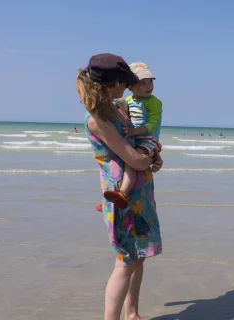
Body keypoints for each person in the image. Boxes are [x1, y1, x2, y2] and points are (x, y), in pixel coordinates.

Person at [76, 53, 163, 320]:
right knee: (125, 262)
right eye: (123, 82)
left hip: (140, 193)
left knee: (139, 256)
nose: (127, 86)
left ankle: (132, 313)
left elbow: (139, 151)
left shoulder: (120, 108)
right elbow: (135, 159)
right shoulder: (98, 119)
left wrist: (152, 156)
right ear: (110, 83)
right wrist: (149, 156)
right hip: (121, 197)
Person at [98, 62, 163, 210]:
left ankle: (122, 193)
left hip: (147, 140)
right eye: (142, 82)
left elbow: (152, 125)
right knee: (117, 163)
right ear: (130, 86)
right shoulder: (127, 101)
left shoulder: (154, 102)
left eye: (150, 81)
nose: (149, 86)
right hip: (134, 138)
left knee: (132, 162)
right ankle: (111, 199)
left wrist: (134, 131)